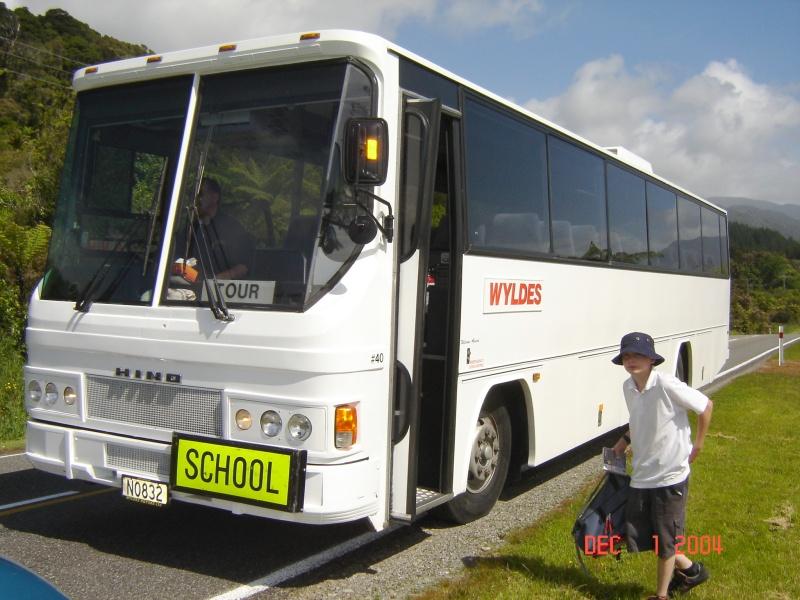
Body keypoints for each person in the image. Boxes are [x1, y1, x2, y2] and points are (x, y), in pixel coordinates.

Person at [611, 332, 713, 599]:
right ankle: (693, 571)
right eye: (627, 356)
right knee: (650, 536)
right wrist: (623, 442)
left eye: (637, 355)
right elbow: (639, 420)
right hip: (643, 475)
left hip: (670, 474)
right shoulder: (628, 387)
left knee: (666, 542)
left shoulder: (667, 384)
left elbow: (706, 406)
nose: (631, 360)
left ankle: (661, 595)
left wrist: (698, 445)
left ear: (651, 359)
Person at [176, 177, 253, 281]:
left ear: (214, 197)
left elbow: (243, 267)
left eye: (201, 195)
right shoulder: (190, 229)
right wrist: (196, 280)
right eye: (194, 196)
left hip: (221, 293)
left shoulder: (232, 228)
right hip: (189, 290)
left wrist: (215, 281)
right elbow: (177, 261)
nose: (197, 200)